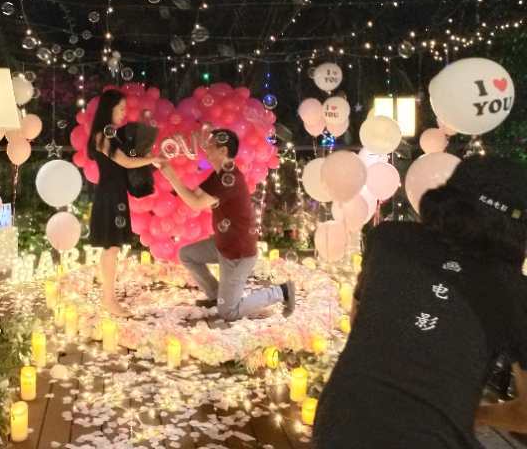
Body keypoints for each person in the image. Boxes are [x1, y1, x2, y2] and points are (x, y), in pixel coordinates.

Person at [313, 155, 527, 448]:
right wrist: (472, 414)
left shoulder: (388, 239)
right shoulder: (515, 291)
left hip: (339, 423)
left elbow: (359, 321)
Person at [160, 129, 295, 321]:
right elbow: (194, 195)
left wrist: (172, 177)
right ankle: (216, 296)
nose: (206, 148)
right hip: (223, 245)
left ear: (223, 151)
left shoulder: (228, 180)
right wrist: (170, 175)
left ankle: (282, 291)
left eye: (211, 145)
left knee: (228, 312)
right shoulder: (220, 175)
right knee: (186, 254)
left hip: (237, 253)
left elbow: (196, 203)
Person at [87, 89, 164, 317]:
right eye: (120, 108)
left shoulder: (112, 136)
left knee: (113, 247)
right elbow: (126, 162)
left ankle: (109, 297)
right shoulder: (101, 136)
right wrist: (152, 159)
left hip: (115, 194)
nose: (123, 113)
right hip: (109, 195)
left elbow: (127, 159)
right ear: (108, 109)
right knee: (111, 247)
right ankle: (109, 299)